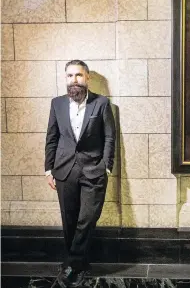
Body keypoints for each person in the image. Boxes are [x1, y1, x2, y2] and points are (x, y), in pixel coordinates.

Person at [45, 60, 116, 287]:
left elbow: (109, 136)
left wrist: (106, 165)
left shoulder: (101, 103)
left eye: (78, 75)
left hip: (93, 170)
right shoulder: (56, 104)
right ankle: (78, 265)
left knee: (86, 219)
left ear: (87, 78)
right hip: (64, 169)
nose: (73, 80)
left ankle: (71, 264)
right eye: (69, 76)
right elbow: (52, 137)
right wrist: (48, 169)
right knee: (69, 220)